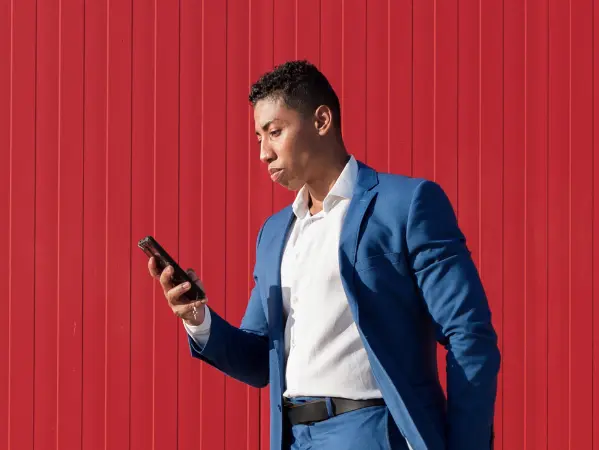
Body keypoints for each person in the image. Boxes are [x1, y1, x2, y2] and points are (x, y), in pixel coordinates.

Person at [148, 60, 500, 450]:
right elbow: (259, 360)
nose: (263, 153)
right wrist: (197, 318)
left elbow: (468, 334)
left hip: (371, 431)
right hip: (292, 437)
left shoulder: (407, 205)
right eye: (258, 138)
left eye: (275, 132)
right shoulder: (274, 234)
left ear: (321, 121)